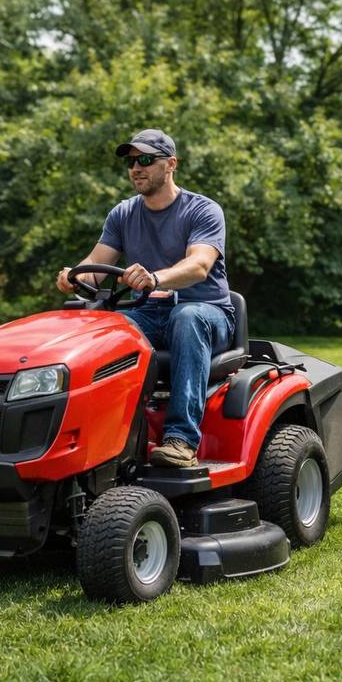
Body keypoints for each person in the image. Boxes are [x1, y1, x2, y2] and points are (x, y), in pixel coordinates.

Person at [56, 128, 234, 469]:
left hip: (208, 313)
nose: (136, 167)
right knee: (105, 328)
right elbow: (94, 267)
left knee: (187, 318)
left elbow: (199, 266)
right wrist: (71, 276)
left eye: (146, 160)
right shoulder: (123, 214)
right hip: (149, 312)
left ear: (170, 164)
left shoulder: (203, 210)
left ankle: (181, 440)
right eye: (131, 161)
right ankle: (103, 438)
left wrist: (156, 278)